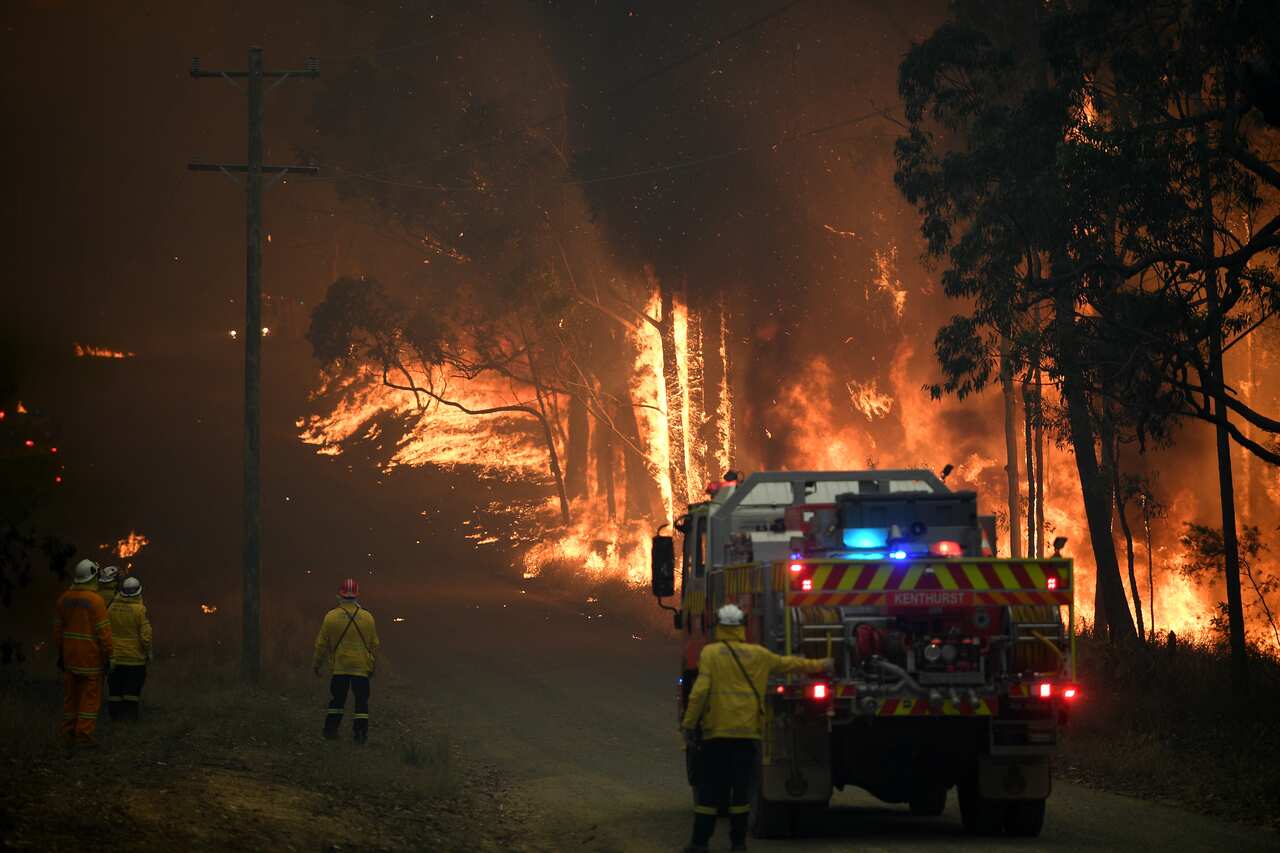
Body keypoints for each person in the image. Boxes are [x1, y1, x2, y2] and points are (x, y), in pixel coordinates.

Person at [680, 604, 832, 853]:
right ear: (742, 626)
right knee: (741, 794)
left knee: (708, 793)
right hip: (747, 735)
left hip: (716, 735)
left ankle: (700, 843)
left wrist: (688, 724)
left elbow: (699, 693)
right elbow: (790, 664)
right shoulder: (759, 655)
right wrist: (822, 664)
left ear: (719, 626)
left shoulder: (711, 654)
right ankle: (738, 844)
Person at [313, 578, 379, 744]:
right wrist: (371, 666)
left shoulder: (331, 617)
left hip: (340, 667)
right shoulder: (368, 618)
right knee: (361, 704)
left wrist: (317, 664)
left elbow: (321, 644)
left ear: (340, 595)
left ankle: (330, 731)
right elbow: (374, 645)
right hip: (361, 668)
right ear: (357, 595)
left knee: (337, 700)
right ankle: (360, 735)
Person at [54, 559, 113, 747]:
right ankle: (83, 736)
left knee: (70, 697)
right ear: (93, 576)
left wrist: (62, 653)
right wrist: (110, 655)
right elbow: (104, 632)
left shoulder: (64, 599)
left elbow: (58, 630)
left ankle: (67, 733)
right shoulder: (96, 601)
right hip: (91, 659)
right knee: (89, 699)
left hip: (70, 657)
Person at [106, 576, 152, 721]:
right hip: (135, 659)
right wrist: (148, 652)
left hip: (115, 658)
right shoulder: (139, 610)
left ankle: (114, 718)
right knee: (132, 691)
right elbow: (146, 636)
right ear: (138, 592)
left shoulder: (112, 607)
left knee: (115, 691)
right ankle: (129, 719)